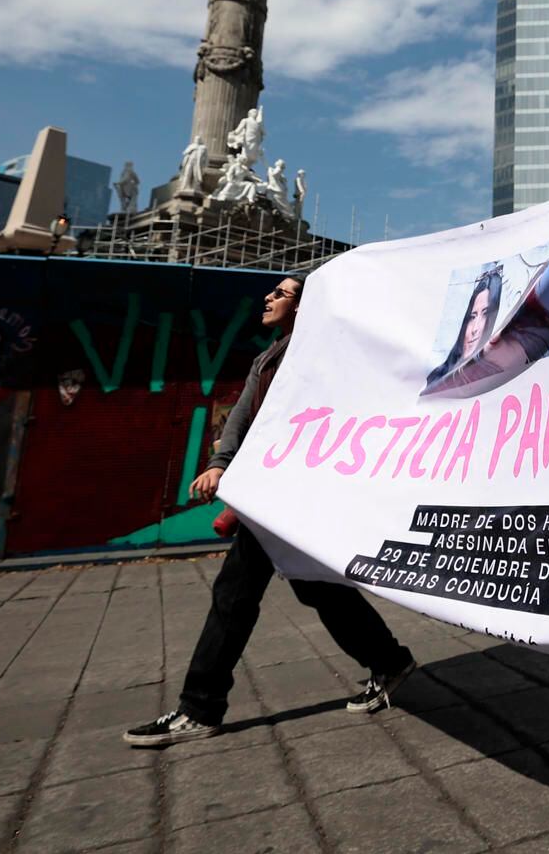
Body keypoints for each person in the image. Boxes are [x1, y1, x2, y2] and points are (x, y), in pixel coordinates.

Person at [125, 276, 418, 747]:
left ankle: (200, 708)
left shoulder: (318, 356)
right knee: (318, 589)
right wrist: (222, 462)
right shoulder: (270, 357)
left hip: (293, 493)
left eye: (281, 294)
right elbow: (244, 413)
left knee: (236, 595)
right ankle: (388, 660)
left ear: (305, 309)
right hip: (275, 494)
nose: (267, 297)